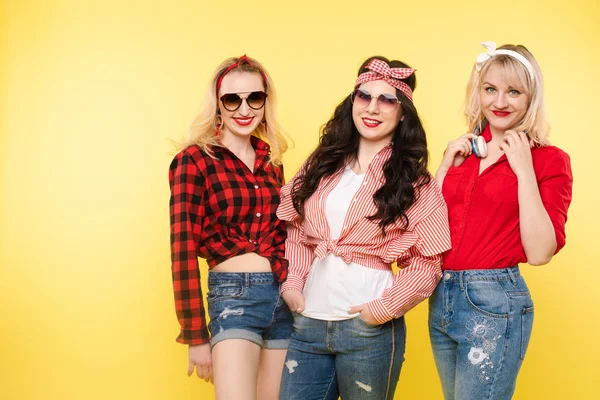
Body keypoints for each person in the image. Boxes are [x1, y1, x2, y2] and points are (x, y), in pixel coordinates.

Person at [277, 56, 452, 399]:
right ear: (352, 103)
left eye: (387, 99)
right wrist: (294, 283)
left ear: (403, 114)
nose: (372, 108)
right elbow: (296, 228)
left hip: (367, 331)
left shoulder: (414, 182)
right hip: (308, 322)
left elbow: (428, 262)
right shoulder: (321, 164)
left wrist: (381, 310)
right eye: (364, 96)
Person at [430, 42, 573, 399]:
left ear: (531, 97)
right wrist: (444, 169)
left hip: (493, 302)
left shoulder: (550, 160)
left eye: (513, 92)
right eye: (490, 89)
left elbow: (540, 252)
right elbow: (427, 229)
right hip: (440, 297)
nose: (500, 102)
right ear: (477, 92)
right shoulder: (463, 153)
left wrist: (524, 171)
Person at [168, 55, 292, 400]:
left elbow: (281, 233)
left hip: (282, 296)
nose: (244, 109)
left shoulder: (272, 161)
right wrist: (195, 334)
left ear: (266, 102)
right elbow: (182, 251)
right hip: (233, 298)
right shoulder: (193, 160)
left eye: (254, 98)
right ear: (218, 104)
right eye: (231, 99)